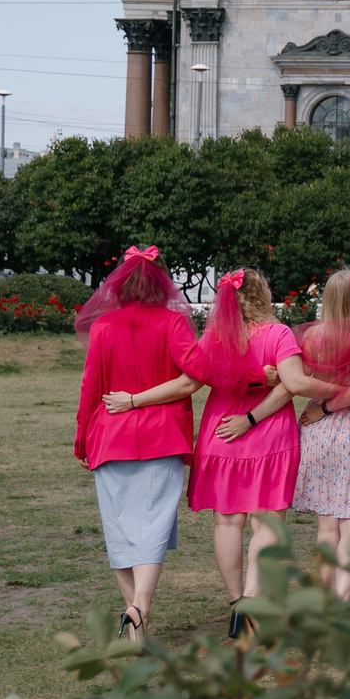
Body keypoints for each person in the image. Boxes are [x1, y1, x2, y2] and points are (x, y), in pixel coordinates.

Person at [78, 245, 200, 637]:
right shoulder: (174, 323)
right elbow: (194, 377)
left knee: (121, 533)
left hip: (109, 437)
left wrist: (82, 439)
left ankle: (135, 615)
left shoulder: (102, 327)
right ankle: (139, 609)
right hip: (162, 436)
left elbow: (90, 388)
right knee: (153, 528)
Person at [183, 268, 310, 640]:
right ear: (263, 296)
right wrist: (253, 412)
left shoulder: (213, 338)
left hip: (221, 436)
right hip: (269, 438)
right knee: (266, 523)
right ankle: (252, 602)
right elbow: (292, 386)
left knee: (227, 522)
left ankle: (237, 601)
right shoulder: (278, 334)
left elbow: (197, 378)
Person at [287, 268, 350, 595]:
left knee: (327, 528)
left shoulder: (314, 338)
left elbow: (299, 383)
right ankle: (342, 603)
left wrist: (328, 400)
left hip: (319, 428)